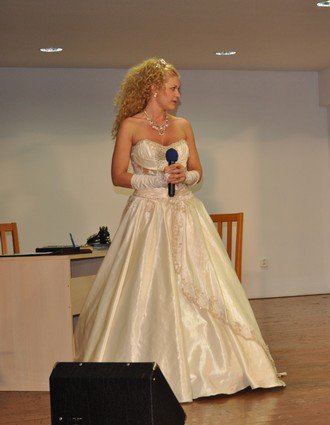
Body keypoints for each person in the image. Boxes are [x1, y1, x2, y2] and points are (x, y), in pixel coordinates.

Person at [74, 58, 285, 402]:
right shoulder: (130, 126)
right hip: (147, 215)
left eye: (178, 89)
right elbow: (118, 175)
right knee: (149, 286)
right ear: (152, 89)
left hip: (186, 212)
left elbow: (198, 171)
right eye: (173, 88)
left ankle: (220, 368)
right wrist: (156, 179)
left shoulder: (184, 125)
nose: (178, 95)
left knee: (205, 281)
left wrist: (184, 175)